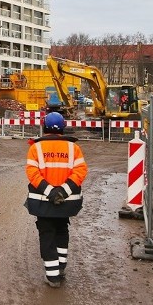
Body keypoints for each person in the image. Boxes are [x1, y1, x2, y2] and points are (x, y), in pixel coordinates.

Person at [25, 111, 88, 288]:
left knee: (47, 235)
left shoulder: (35, 148)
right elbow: (80, 172)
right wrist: (63, 191)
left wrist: (50, 191)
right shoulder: (73, 148)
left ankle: (53, 277)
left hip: (43, 202)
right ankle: (60, 268)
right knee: (61, 232)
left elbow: (32, 173)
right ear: (62, 128)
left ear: (44, 127)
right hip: (66, 202)